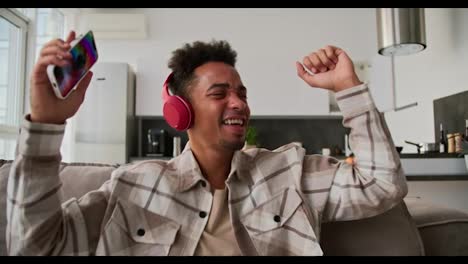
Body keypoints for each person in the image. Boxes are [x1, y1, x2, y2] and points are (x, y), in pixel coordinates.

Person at [7, 30, 407, 256]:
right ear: (180, 112)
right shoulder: (131, 189)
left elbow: (382, 185)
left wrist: (347, 88)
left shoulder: (290, 173)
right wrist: (46, 122)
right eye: (219, 93)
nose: (239, 103)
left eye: (242, 92)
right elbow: (35, 248)